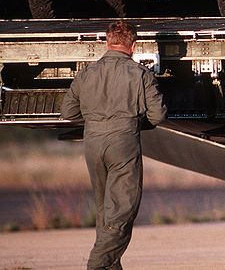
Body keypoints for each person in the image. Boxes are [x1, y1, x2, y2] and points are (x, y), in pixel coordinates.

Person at [61, 20, 167, 270]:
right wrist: (131, 123)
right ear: (133, 46)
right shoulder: (141, 74)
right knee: (121, 209)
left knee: (105, 209)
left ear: (107, 43)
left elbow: (68, 110)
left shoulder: (87, 72)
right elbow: (157, 115)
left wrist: (95, 120)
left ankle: (111, 266)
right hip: (123, 142)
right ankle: (97, 264)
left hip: (92, 143)